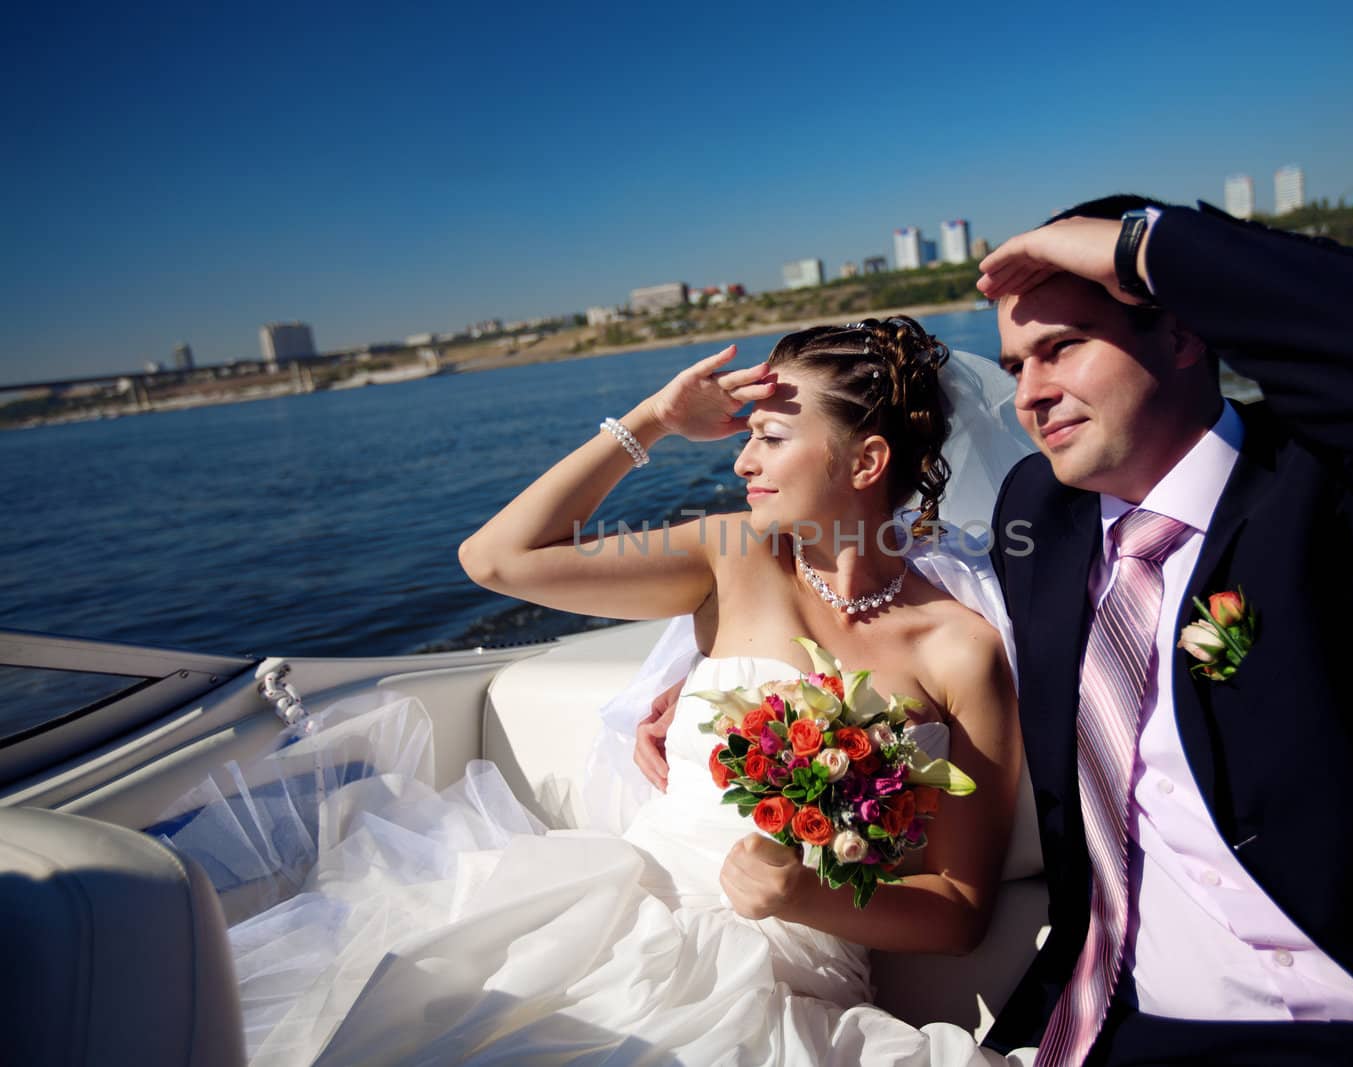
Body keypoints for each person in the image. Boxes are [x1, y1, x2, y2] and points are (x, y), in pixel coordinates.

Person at [176, 317, 1030, 1066]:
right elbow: (497, 559)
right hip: (616, 922)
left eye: (770, 438)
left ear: (868, 459)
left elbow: (957, 912)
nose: (740, 459)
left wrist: (805, 897)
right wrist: (650, 422)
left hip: (789, 985)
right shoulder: (732, 557)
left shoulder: (961, 649)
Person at [975, 197, 1353, 1066]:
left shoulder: (1352, 489)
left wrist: (1156, 247)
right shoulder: (1036, 514)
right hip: (1140, 1025)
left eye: (1064, 345)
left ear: (1185, 331)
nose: (1030, 395)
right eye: (1015, 366)